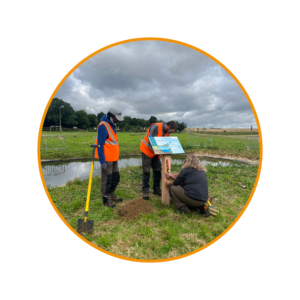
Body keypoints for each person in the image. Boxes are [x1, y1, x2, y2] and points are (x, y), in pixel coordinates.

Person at [140, 121, 178, 200]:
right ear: (168, 127)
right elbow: (151, 140)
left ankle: (156, 189)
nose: (170, 133)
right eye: (171, 131)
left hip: (156, 152)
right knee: (146, 171)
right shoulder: (156, 127)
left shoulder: (166, 132)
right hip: (147, 151)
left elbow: (165, 142)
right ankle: (145, 192)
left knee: (157, 170)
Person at [94, 108, 124, 208]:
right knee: (107, 179)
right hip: (106, 159)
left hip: (114, 158)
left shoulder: (112, 125)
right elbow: (100, 144)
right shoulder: (103, 126)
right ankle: (106, 200)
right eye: (117, 118)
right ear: (111, 116)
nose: (118, 120)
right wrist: (102, 161)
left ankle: (112, 195)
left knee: (115, 178)